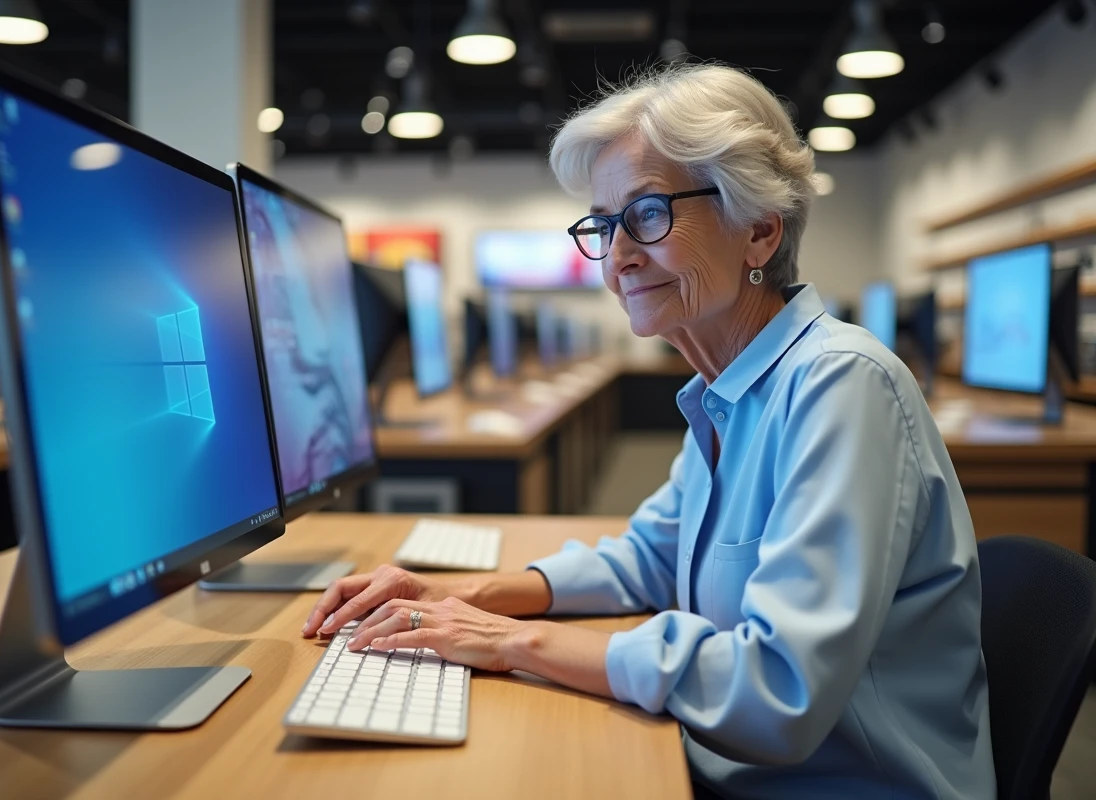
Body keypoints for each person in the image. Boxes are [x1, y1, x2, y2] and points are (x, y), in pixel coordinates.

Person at [303, 64, 994, 800]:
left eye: (649, 215)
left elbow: (780, 692)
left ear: (759, 230)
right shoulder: (726, 392)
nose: (619, 256)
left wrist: (514, 642)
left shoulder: (841, 386)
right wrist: (461, 595)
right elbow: (649, 558)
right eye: (605, 225)